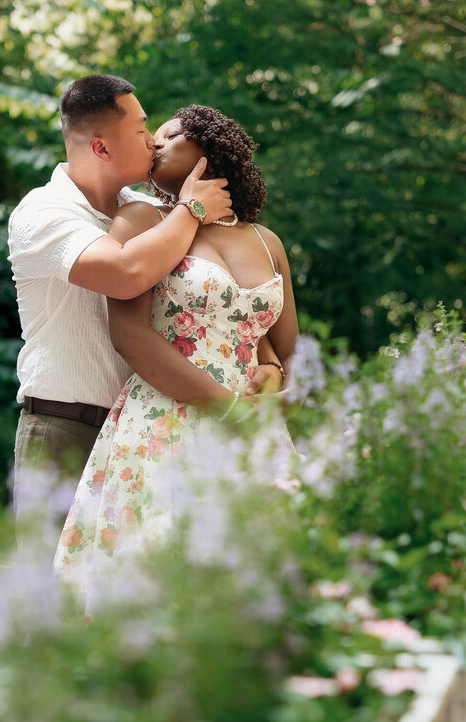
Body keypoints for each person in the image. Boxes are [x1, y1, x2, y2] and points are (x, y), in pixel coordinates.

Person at [54, 105, 299, 594]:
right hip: (166, 422)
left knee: (256, 582)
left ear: (207, 148)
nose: (153, 144)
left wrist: (273, 372)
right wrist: (226, 407)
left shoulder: (267, 241)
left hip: (255, 434)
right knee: (154, 577)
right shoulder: (142, 217)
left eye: (167, 136)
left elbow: (292, 350)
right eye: (150, 135)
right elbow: (128, 334)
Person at [9, 75, 234, 495]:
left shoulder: (152, 210)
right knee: (50, 563)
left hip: (147, 431)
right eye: (141, 129)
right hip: (66, 432)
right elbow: (124, 274)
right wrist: (193, 208)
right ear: (101, 147)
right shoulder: (41, 212)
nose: (153, 141)